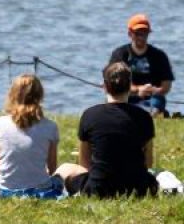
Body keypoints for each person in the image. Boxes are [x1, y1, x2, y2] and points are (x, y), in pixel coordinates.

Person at [56, 61, 158, 198]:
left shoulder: (90, 115)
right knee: (163, 174)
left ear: (104, 86)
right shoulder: (144, 117)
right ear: (129, 86)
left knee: (64, 168)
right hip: (138, 188)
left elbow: (84, 165)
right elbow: (148, 163)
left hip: (98, 189)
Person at [0, 75, 61, 196]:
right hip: (41, 190)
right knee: (61, 177)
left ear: (12, 95)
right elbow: (52, 168)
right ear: (40, 96)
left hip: (5, 190)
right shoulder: (50, 126)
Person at [110, 13, 174, 117]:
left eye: (145, 33)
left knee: (157, 101)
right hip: (126, 96)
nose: (141, 37)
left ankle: (151, 114)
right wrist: (138, 90)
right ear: (130, 34)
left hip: (152, 98)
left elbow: (166, 86)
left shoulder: (159, 56)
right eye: (137, 33)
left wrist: (152, 90)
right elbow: (115, 84)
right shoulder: (120, 54)